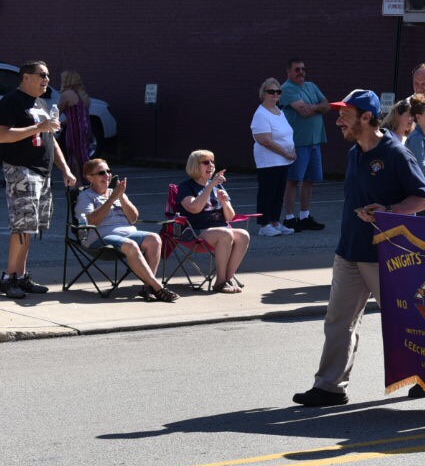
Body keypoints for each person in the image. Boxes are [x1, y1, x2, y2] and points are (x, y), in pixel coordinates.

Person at [292, 89, 425, 407]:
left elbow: (423, 198)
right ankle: (330, 386)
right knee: (338, 320)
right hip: (350, 250)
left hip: (386, 254)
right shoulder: (355, 152)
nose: (338, 118)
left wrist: (389, 211)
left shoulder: (395, 153)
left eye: (346, 113)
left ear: (367, 117)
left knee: (403, 319)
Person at [0, 62, 75, 300]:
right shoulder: (11, 101)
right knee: (22, 226)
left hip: (43, 173)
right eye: (42, 75)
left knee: (32, 227)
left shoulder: (42, 104)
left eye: (48, 75)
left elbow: (50, 140)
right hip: (21, 170)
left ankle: (21, 276)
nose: (46, 79)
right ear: (26, 77)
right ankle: (9, 278)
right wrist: (37, 127)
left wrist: (65, 169)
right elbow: (2, 135)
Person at [76, 159, 178, 302]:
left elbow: (133, 218)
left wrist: (122, 197)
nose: (107, 175)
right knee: (131, 245)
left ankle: (148, 288)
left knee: (154, 238)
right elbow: (92, 221)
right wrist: (112, 198)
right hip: (101, 236)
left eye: (108, 171)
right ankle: (158, 287)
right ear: (89, 177)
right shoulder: (85, 196)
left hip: (128, 232)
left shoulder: (116, 193)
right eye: (101, 173)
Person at [176, 149, 253, 294]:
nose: (211, 165)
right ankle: (220, 282)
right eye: (206, 162)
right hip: (196, 232)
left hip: (220, 230)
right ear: (194, 165)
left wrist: (224, 202)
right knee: (225, 234)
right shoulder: (186, 187)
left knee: (243, 235)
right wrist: (210, 186)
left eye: (212, 162)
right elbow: (194, 208)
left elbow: (230, 217)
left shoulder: (217, 185)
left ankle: (227, 279)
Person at [280, 58, 330, 232]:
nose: (300, 72)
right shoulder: (286, 89)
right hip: (298, 143)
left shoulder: (311, 86)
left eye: (303, 68)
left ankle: (305, 216)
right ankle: (289, 218)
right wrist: (318, 107)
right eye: (296, 69)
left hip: (315, 141)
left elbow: (327, 105)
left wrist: (314, 107)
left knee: (310, 180)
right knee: (294, 180)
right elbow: (304, 111)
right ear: (289, 71)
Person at [251, 76, 297, 237]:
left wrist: (292, 151)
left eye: (278, 92)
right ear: (263, 94)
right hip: (269, 161)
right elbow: (265, 140)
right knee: (267, 192)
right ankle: (264, 225)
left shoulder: (279, 111)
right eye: (271, 92)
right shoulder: (261, 114)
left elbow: (286, 134)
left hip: (283, 160)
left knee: (278, 193)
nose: (275, 95)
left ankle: (275, 222)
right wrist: (285, 152)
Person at [56, 69, 97, 179]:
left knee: (74, 154)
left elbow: (56, 113)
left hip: (75, 129)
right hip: (85, 127)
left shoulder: (67, 94)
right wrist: (62, 123)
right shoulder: (83, 95)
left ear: (67, 80)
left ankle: (80, 180)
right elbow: (76, 116)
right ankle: (90, 178)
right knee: (84, 153)